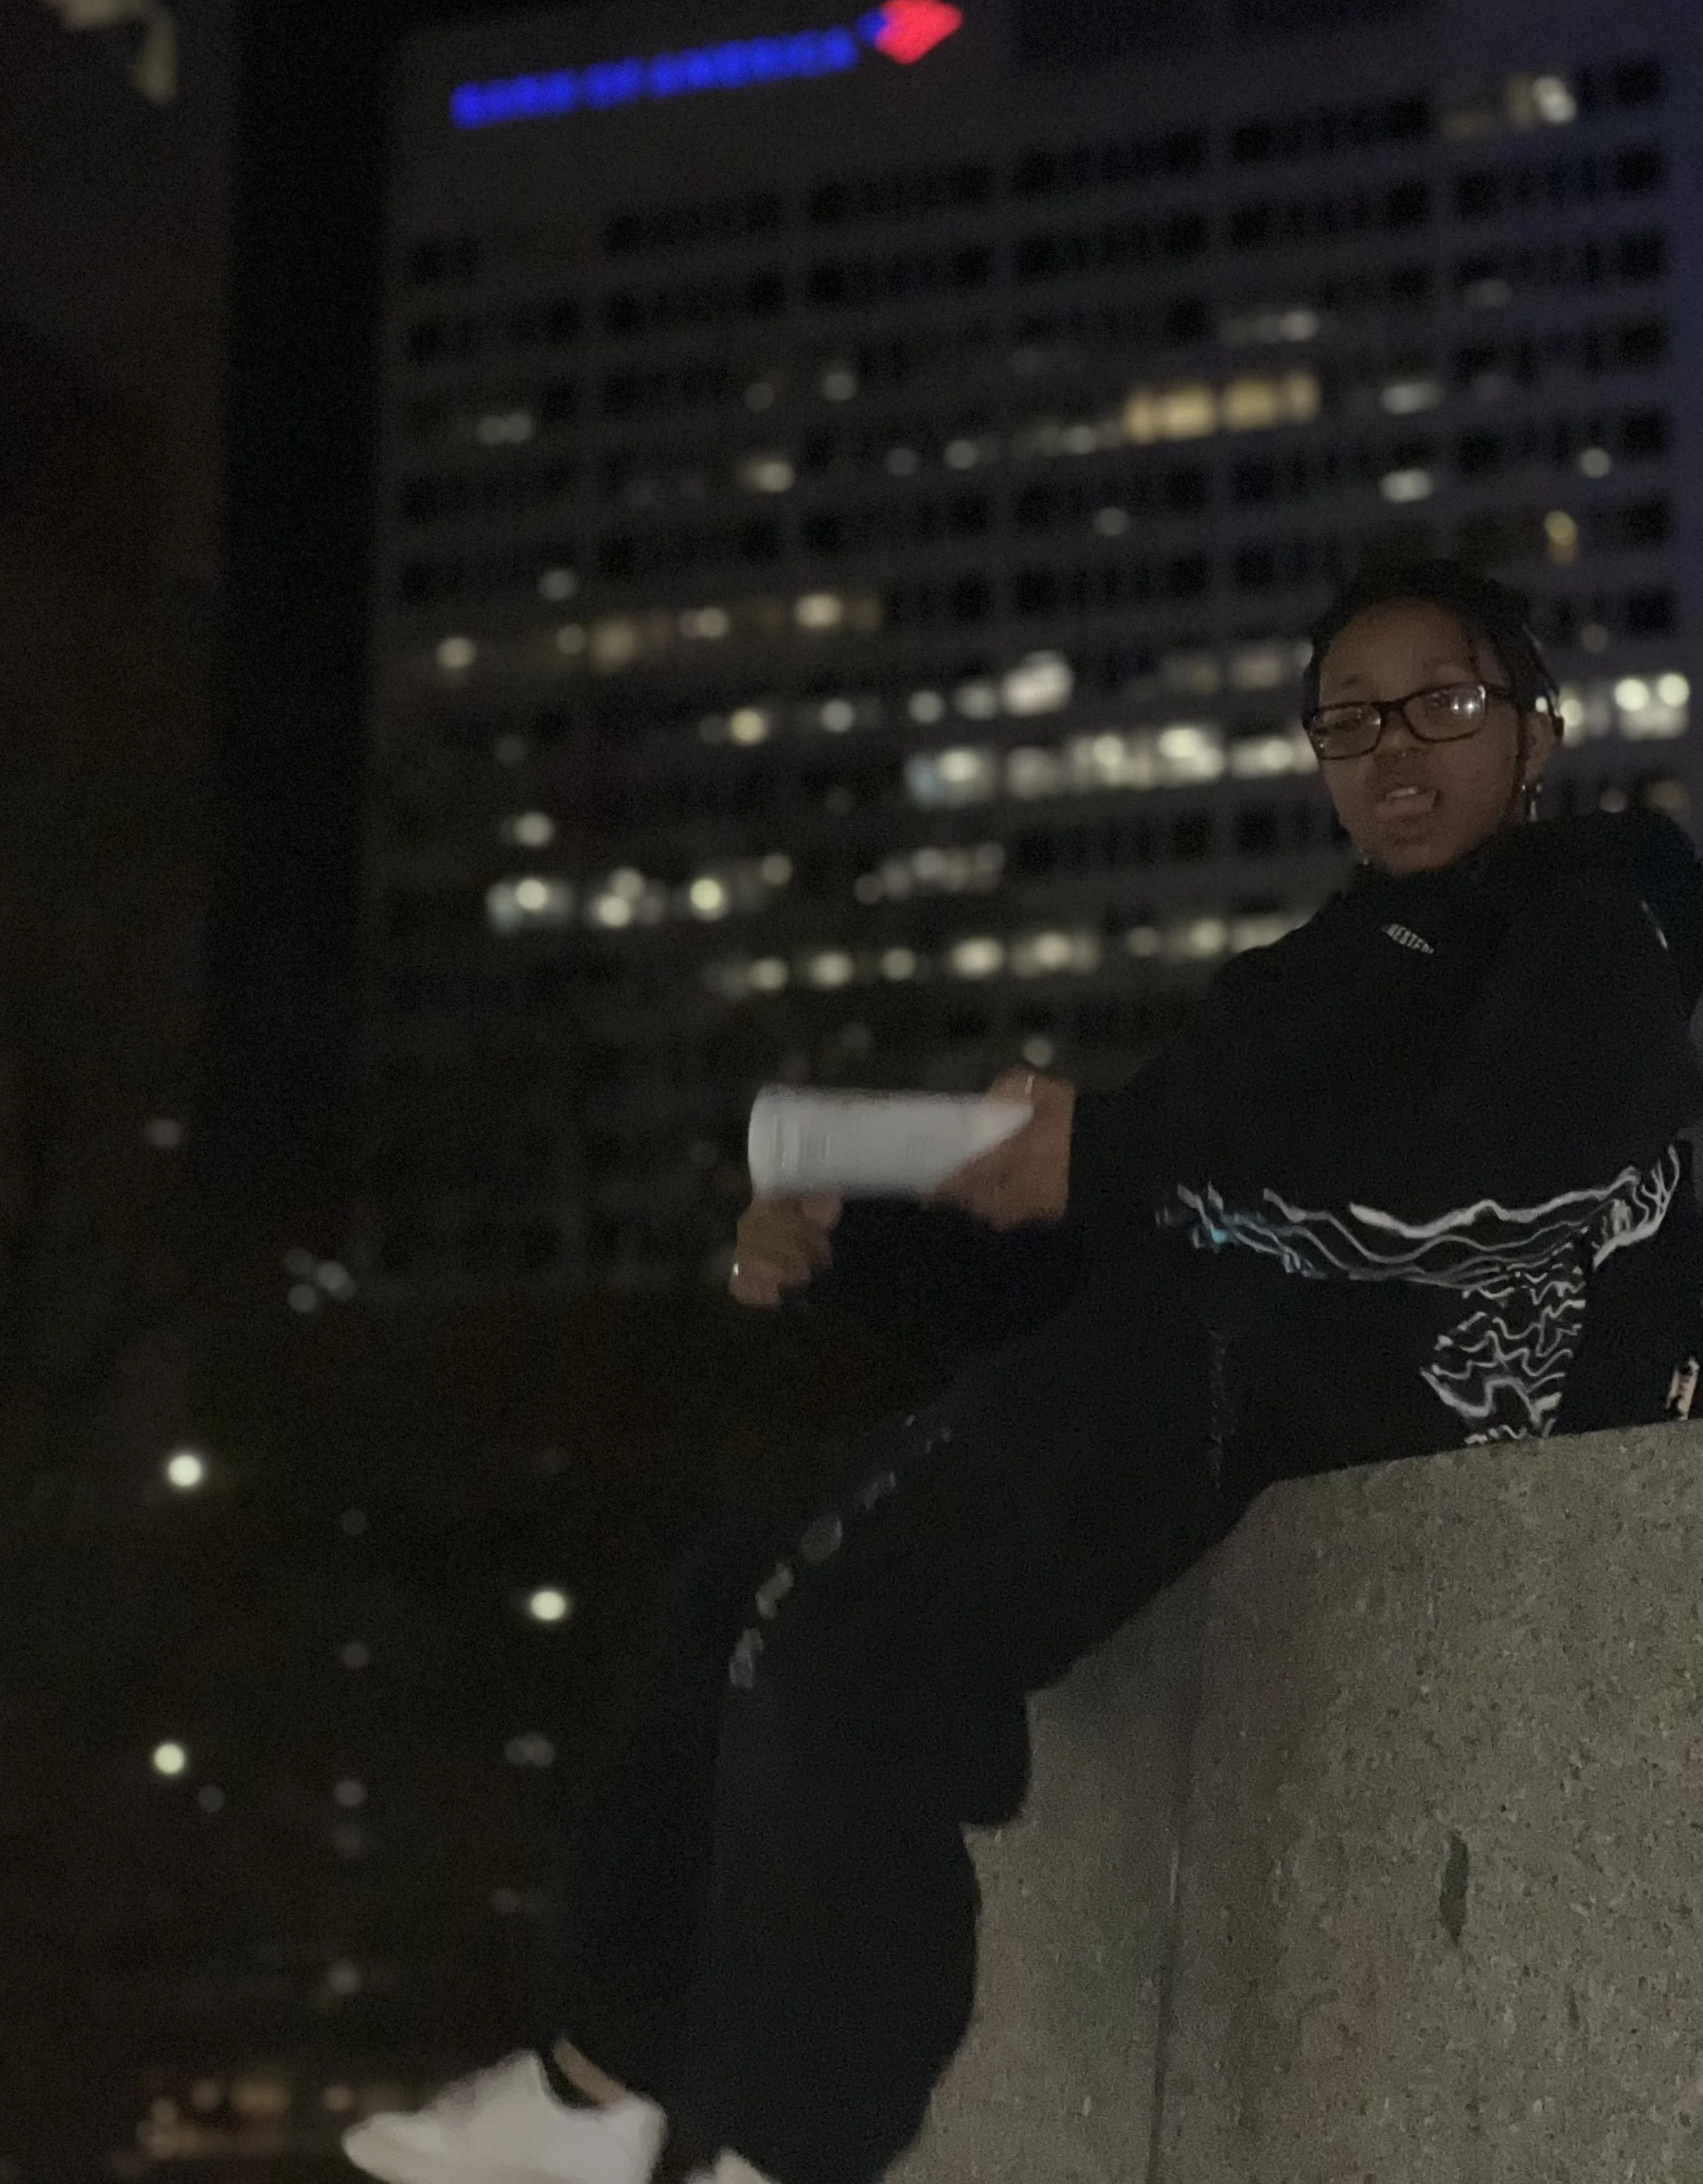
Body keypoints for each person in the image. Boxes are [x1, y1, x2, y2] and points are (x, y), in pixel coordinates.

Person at [344, 563, 1703, 2184]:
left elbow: (1505, 1184)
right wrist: (867, 1250)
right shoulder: (1300, 983)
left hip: (1421, 1404)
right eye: (1347, 719)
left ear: (1533, 728)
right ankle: (595, 2094)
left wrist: (1114, 1149)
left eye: (1442, 703)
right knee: (740, 1572)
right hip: (1224, 1369)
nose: (1393, 747)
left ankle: (788, 2144)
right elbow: (1134, 1240)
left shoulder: (1601, 910)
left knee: (854, 1627)